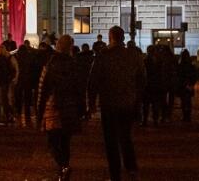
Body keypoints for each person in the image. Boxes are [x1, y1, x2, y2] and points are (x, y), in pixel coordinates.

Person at [89, 26, 145, 181]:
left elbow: (93, 81)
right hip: (128, 102)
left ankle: (115, 174)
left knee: (111, 140)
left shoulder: (103, 56)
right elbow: (142, 79)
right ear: (123, 38)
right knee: (126, 136)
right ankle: (131, 167)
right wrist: (136, 97)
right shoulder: (133, 55)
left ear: (110, 37)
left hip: (109, 103)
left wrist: (92, 102)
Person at [37, 35, 84, 181]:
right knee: (65, 141)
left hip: (54, 107)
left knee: (52, 141)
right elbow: (80, 89)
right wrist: (81, 108)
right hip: (69, 108)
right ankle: (64, 167)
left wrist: (39, 111)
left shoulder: (51, 63)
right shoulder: (74, 64)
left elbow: (42, 88)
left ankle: (62, 166)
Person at [0, 44, 16, 126]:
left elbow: (9, 70)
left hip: (1, 82)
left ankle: (5, 115)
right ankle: (3, 115)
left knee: (1, 99)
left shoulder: (4, 59)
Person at [14, 40, 37, 127]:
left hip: (19, 81)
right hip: (28, 80)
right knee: (27, 99)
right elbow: (33, 69)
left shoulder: (16, 56)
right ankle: (27, 118)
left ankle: (19, 117)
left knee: (18, 99)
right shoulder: (30, 56)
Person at [175, 49, 197, 122]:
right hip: (189, 85)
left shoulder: (180, 66)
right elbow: (195, 76)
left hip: (182, 86)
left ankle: (185, 116)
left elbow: (178, 75)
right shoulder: (191, 66)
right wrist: (191, 83)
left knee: (183, 102)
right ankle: (188, 116)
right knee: (188, 101)